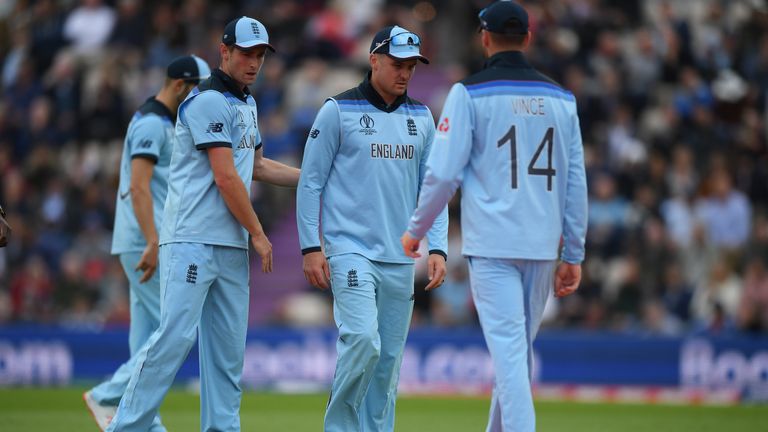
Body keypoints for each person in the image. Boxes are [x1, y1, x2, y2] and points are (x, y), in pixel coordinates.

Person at [105, 16, 300, 432]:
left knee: (227, 354)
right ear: (224, 51)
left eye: (261, 55)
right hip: (192, 239)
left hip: (227, 245)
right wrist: (260, 234)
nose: (254, 62)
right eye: (246, 53)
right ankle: (125, 427)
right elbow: (226, 177)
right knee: (172, 340)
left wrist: (311, 180)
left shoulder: (247, 103)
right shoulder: (207, 99)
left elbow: (258, 166)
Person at [401, 2, 588, 431]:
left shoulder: (467, 93)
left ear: (484, 38)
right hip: (542, 246)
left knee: (510, 358)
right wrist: (574, 252)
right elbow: (575, 183)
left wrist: (416, 230)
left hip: (493, 245)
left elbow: (444, 173)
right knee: (514, 357)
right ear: (528, 36)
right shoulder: (563, 99)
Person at [297, 25, 449, 431]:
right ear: (374, 60)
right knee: (363, 341)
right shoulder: (336, 111)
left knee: (386, 365)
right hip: (350, 250)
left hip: (400, 256)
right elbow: (310, 181)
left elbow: (433, 189)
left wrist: (438, 248)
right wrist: (310, 247)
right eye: (397, 64)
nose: (405, 73)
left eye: (412, 66)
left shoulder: (422, 117)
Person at [83, 54, 211, 432]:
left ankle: (142, 421)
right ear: (178, 86)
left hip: (144, 238)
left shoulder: (158, 121)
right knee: (174, 329)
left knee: (147, 334)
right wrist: (154, 241)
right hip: (148, 240)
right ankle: (110, 396)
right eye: (198, 89)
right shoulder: (152, 125)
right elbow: (138, 187)